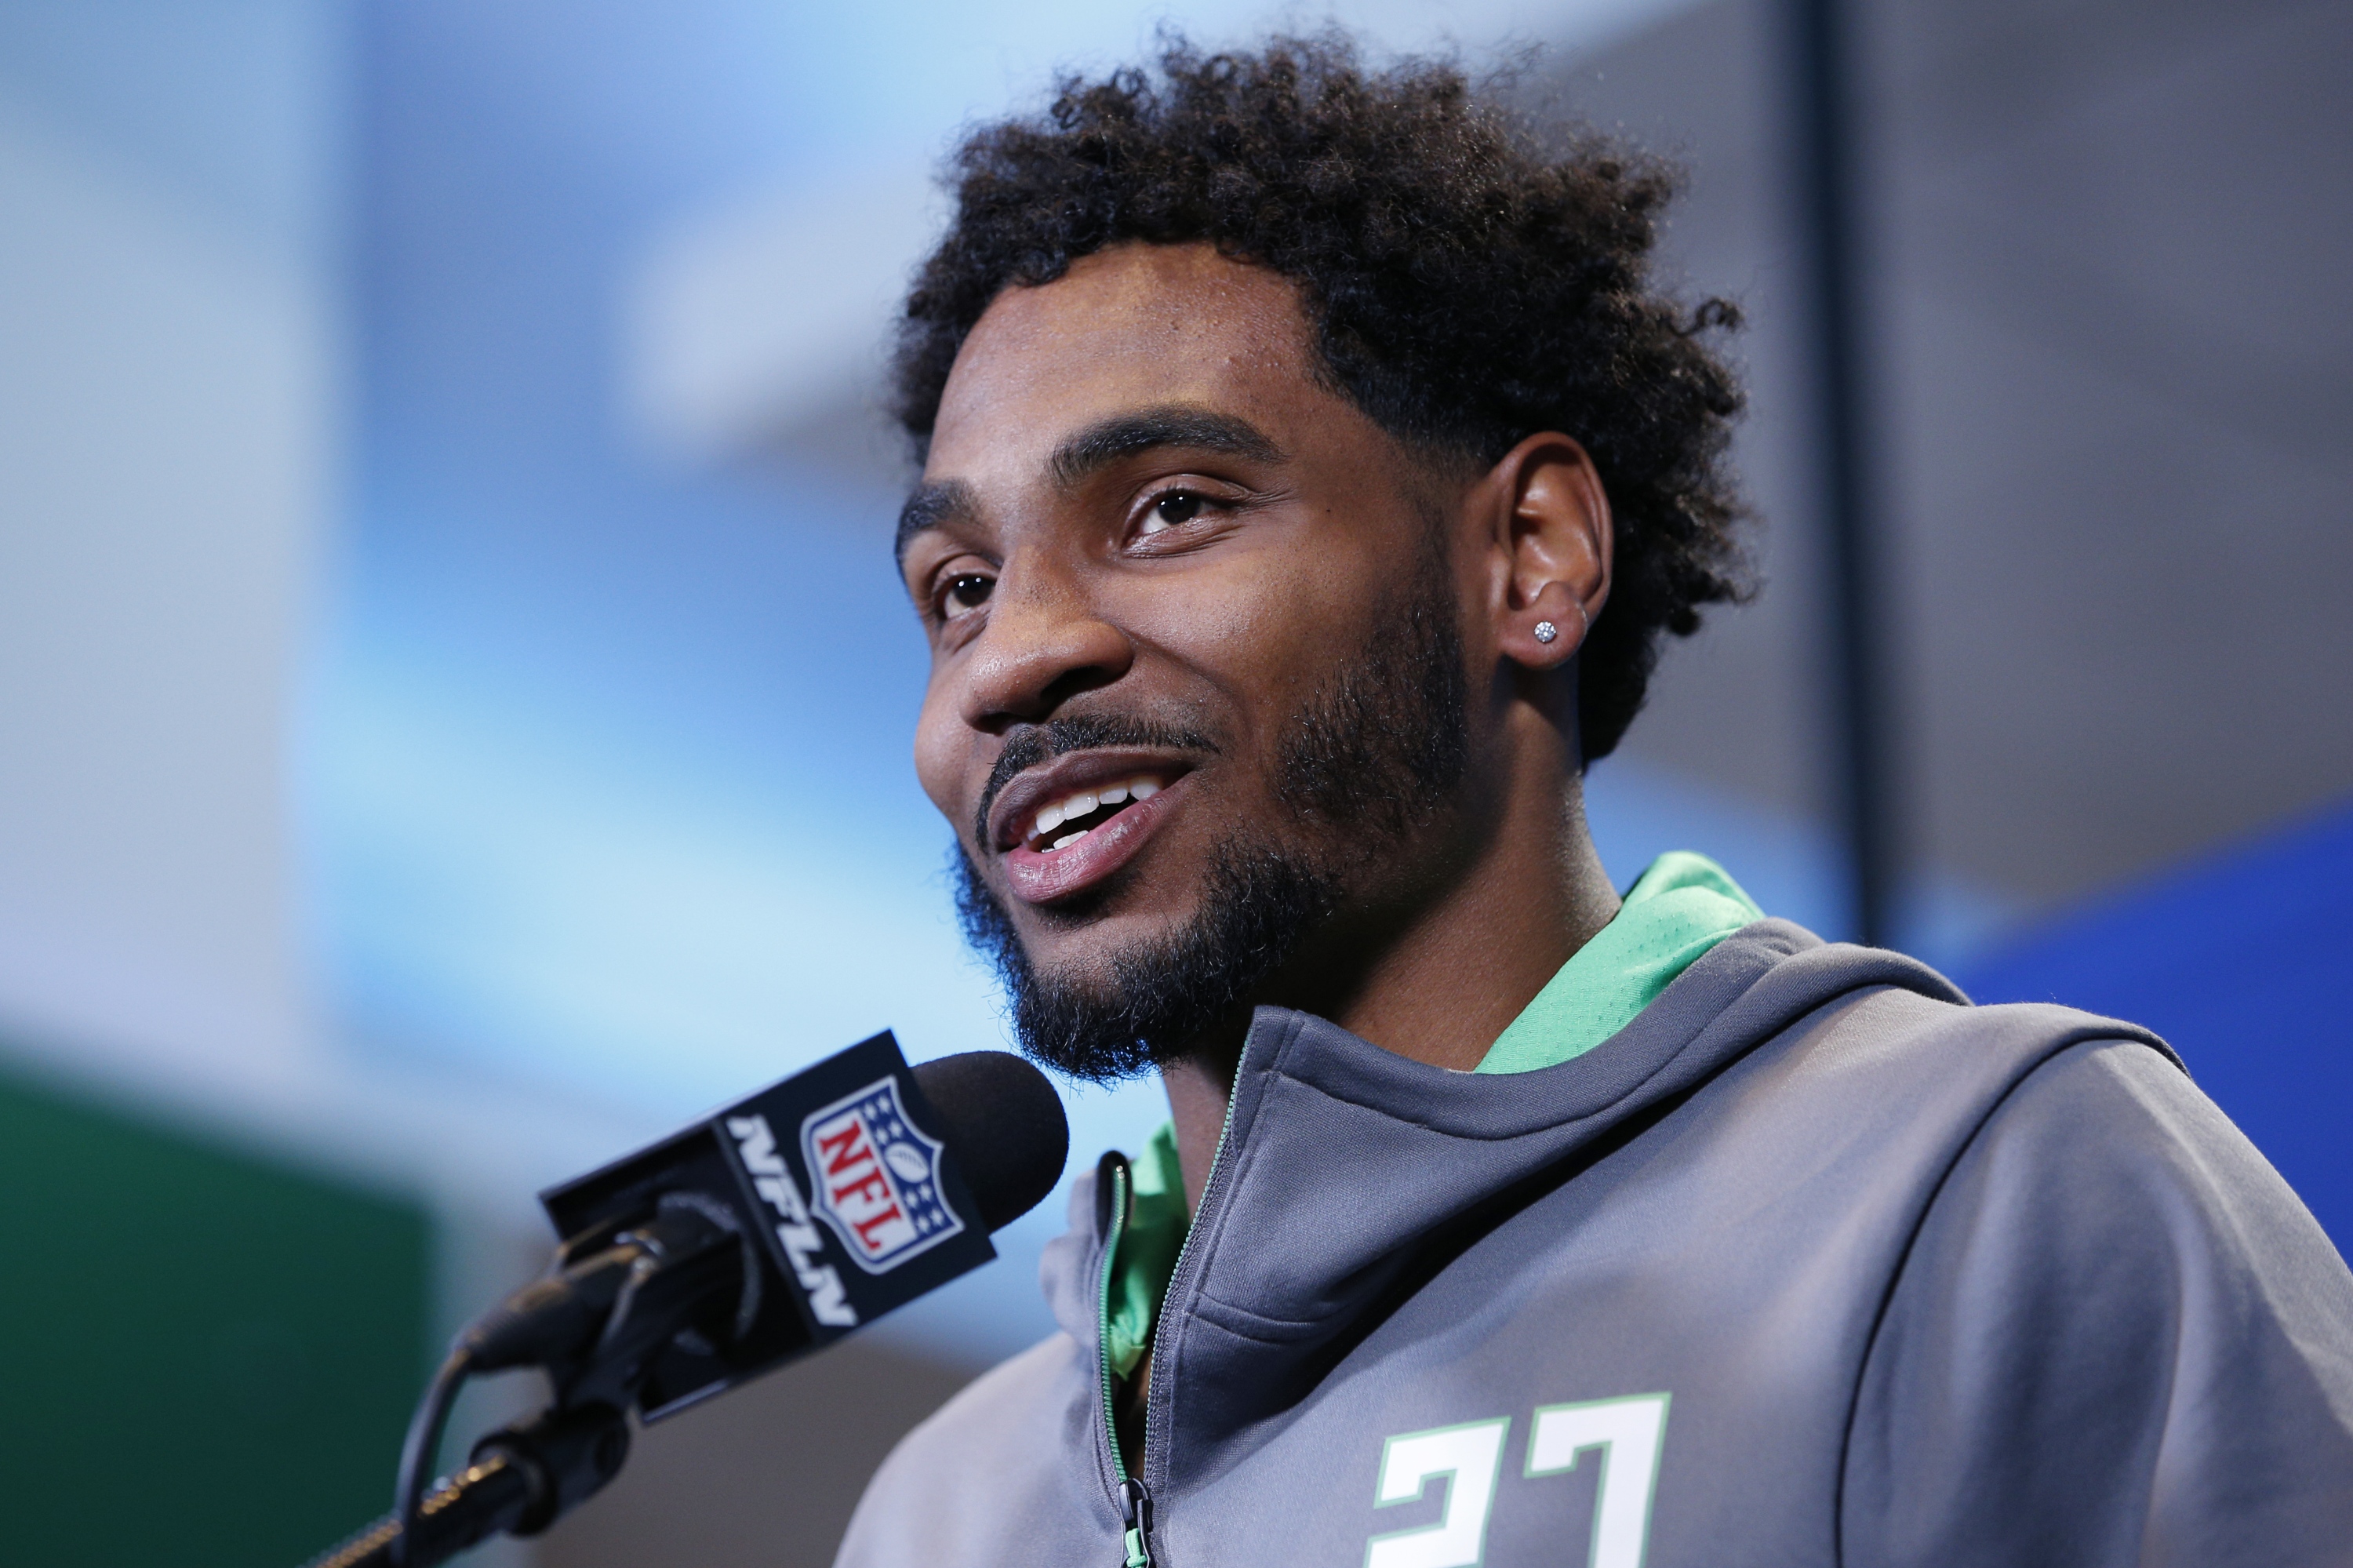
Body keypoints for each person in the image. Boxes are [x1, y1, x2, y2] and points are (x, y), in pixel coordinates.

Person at [841, 34, 2353, 1568]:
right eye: (958, 590)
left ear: (1531, 556)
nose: (1011, 660)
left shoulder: (1974, 1194)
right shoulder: (943, 1513)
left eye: (1170, 510)